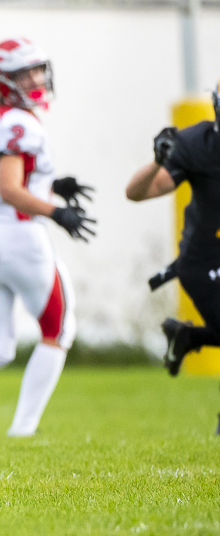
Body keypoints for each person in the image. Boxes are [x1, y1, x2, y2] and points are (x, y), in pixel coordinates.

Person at [0, 38, 96, 437]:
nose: (37, 78)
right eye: (26, 72)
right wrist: (57, 211)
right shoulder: (20, 123)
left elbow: (13, 176)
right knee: (58, 330)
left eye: (38, 70)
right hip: (21, 237)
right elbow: (10, 187)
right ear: (5, 79)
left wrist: (51, 184)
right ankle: (23, 430)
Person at [126, 80, 220, 433]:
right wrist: (156, 162)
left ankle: (189, 338)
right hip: (204, 261)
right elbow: (137, 192)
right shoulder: (198, 144)